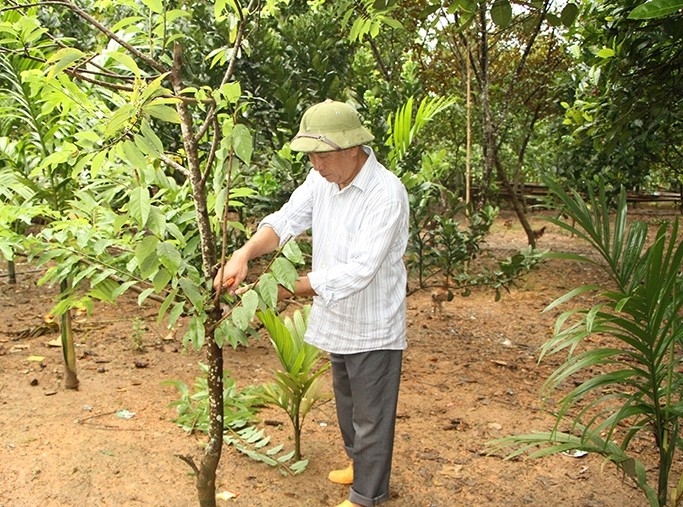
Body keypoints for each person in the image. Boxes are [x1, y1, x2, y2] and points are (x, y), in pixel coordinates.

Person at [213, 99, 409, 507]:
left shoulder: (385, 193)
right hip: (338, 315)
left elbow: (359, 270)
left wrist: (280, 290)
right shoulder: (322, 180)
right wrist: (244, 255)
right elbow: (285, 221)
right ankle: (360, 464)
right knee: (348, 402)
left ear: (353, 148)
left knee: (372, 413)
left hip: (373, 321)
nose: (316, 164)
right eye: (311, 155)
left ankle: (367, 496)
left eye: (323, 154)